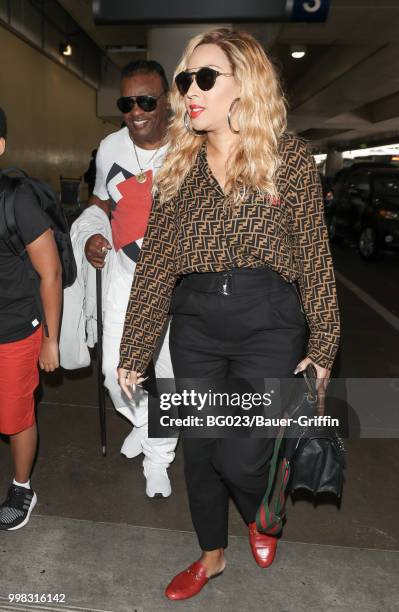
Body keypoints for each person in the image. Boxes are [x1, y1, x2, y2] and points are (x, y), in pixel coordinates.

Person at [118, 28, 340, 600]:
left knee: (243, 456)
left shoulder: (285, 156)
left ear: (245, 83)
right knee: (202, 452)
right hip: (196, 324)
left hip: (269, 320)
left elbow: (314, 254)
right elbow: (158, 264)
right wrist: (135, 348)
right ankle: (211, 555)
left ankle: (264, 512)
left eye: (205, 77)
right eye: (185, 79)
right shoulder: (177, 166)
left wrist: (322, 348)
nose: (189, 89)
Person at [84, 61, 178, 498]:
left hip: (175, 281)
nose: (136, 111)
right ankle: (145, 422)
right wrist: (92, 236)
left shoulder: (188, 146)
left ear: (166, 101)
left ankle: (159, 457)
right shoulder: (110, 147)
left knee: (167, 373)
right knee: (111, 372)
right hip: (123, 273)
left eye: (146, 101)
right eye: (127, 103)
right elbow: (100, 202)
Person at [0, 106, 62, 530]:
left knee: (14, 417)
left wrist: (51, 340)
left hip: (14, 331)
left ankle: (23, 487)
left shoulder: (16, 199)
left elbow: (51, 272)